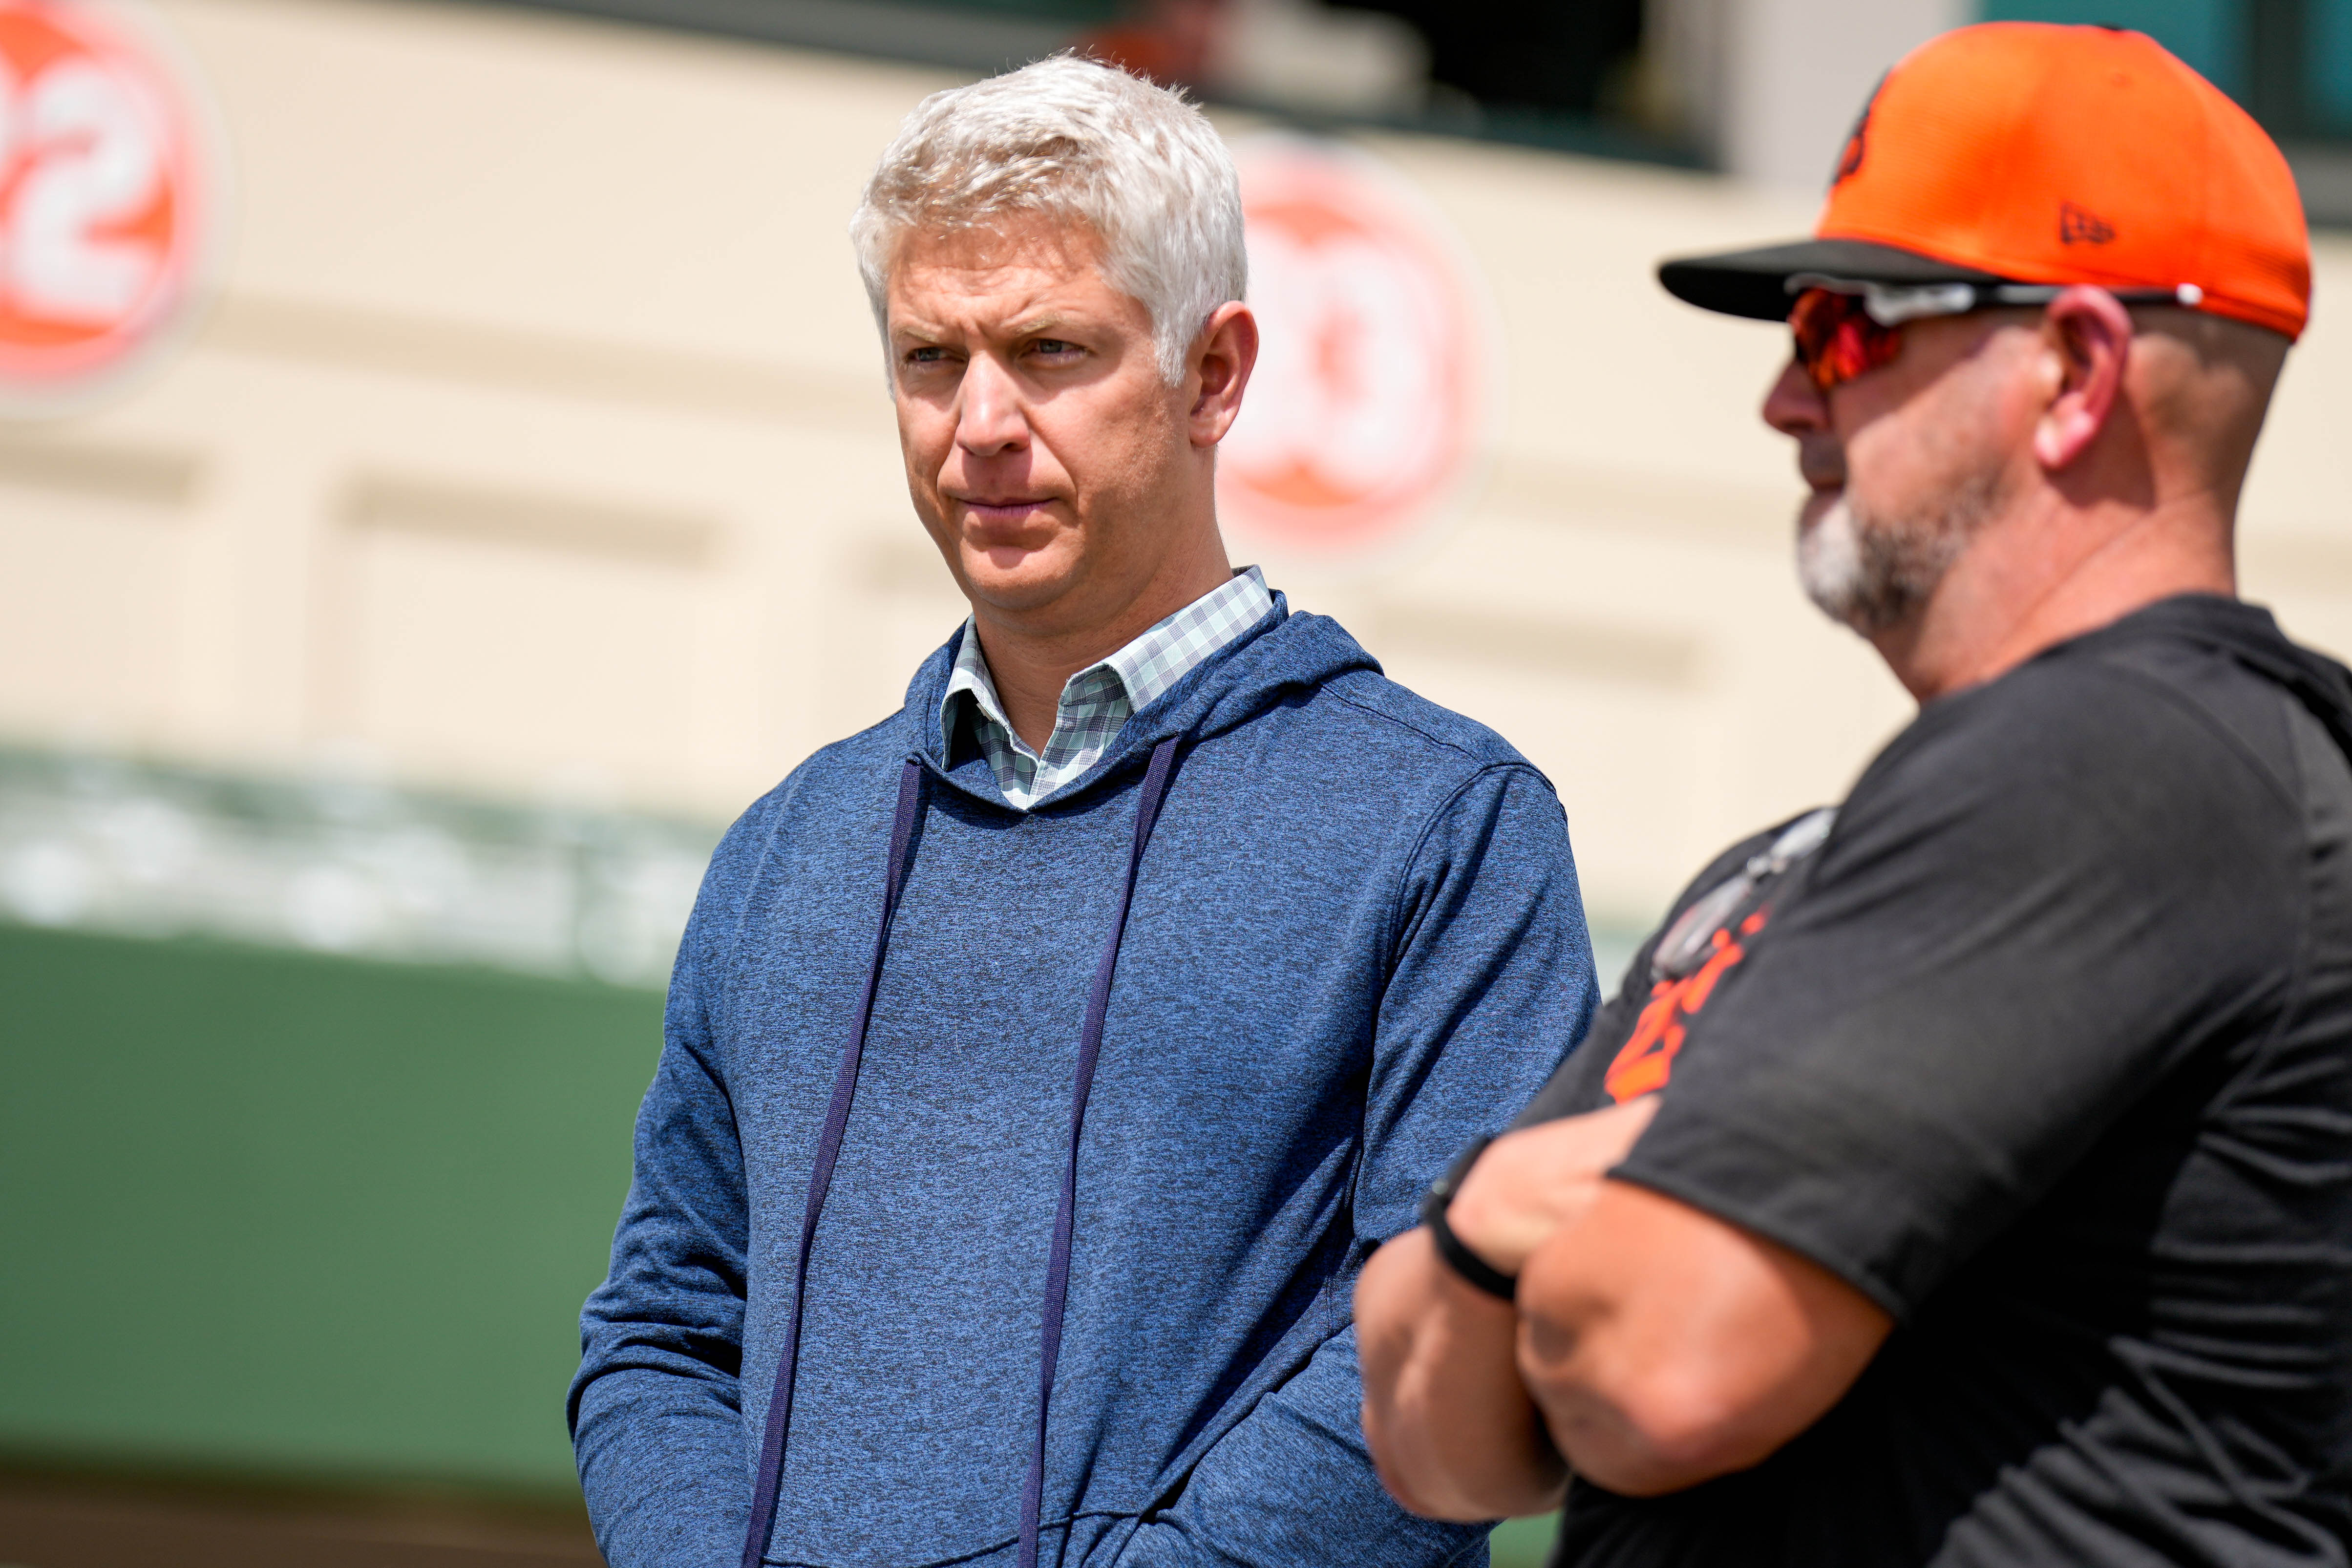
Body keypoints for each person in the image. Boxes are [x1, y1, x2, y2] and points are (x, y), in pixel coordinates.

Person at [570, 55, 1600, 1568]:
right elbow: (662, 1332)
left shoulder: (1449, 827)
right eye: (931, 359)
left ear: (1215, 374)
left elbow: (1455, 1344)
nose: (978, 422)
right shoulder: (791, 843)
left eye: (1050, 351)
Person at [1356, 21, 2352, 1567]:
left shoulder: (2136, 761)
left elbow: (1653, 1372)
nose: (1781, 400)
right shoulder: (1800, 865)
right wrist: (1522, 1222)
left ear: (2075, 372)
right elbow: (1432, 1433)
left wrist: (1503, 1208)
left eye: (1845, 328)